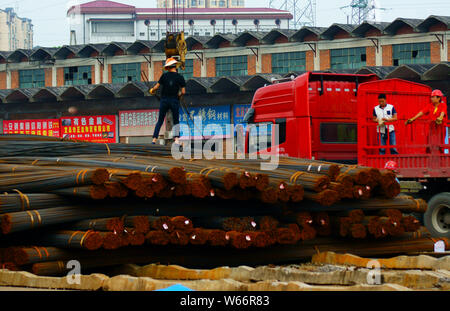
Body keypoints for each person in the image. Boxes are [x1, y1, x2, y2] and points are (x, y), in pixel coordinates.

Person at [149, 57, 186, 145]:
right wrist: (179, 96)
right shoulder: (180, 77)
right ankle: (176, 139)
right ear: (175, 66)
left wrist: (152, 90)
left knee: (160, 120)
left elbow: (156, 87)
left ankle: (154, 140)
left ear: (168, 67)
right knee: (176, 120)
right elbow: (183, 91)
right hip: (174, 100)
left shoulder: (164, 76)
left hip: (164, 100)